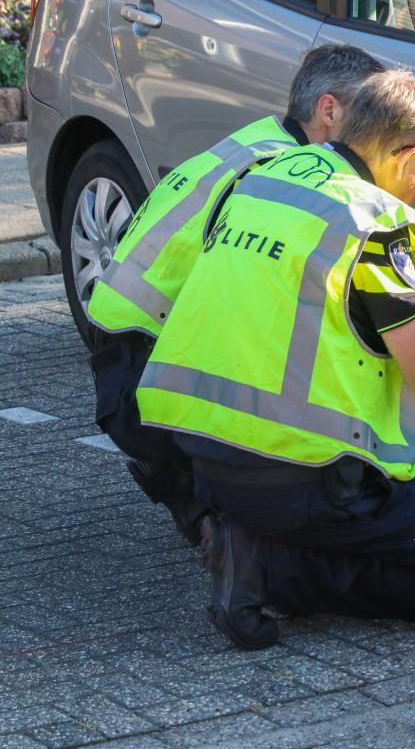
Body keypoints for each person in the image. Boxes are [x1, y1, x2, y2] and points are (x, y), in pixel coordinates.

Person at [135, 69, 415, 649]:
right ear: (405, 155)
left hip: (204, 459)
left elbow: (337, 304)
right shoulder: (380, 224)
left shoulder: (263, 178)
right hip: (308, 479)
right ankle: (267, 567)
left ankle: (253, 540)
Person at [85, 45, 384, 545]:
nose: (380, 129)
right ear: (329, 111)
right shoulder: (292, 174)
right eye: (371, 113)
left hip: (122, 360)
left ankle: (191, 489)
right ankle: (220, 505)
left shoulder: (257, 142)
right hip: (149, 377)